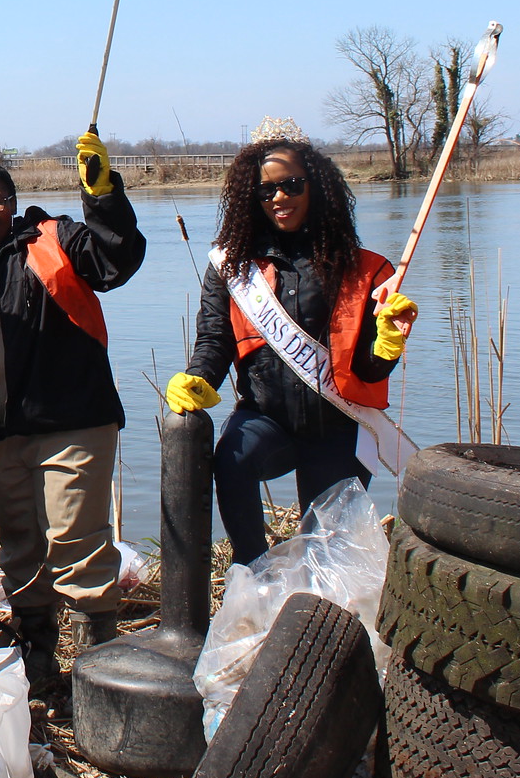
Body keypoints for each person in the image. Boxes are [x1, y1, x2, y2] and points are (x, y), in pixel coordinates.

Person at [164, 121, 419, 567]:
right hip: (266, 419)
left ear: (316, 186)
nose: (278, 198)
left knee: (329, 559)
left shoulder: (366, 268)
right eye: (266, 191)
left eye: (290, 185)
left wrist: (386, 345)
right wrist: (199, 377)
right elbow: (214, 339)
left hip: (339, 427)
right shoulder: (230, 266)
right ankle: (253, 574)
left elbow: (370, 372)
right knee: (233, 461)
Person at [0, 134, 146, 681]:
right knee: (20, 545)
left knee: (75, 539)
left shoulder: (56, 239)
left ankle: (99, 662)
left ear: (13, 202)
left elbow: (117, 259)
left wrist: (101, 194)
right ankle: (37, 657)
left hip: (73, 422)